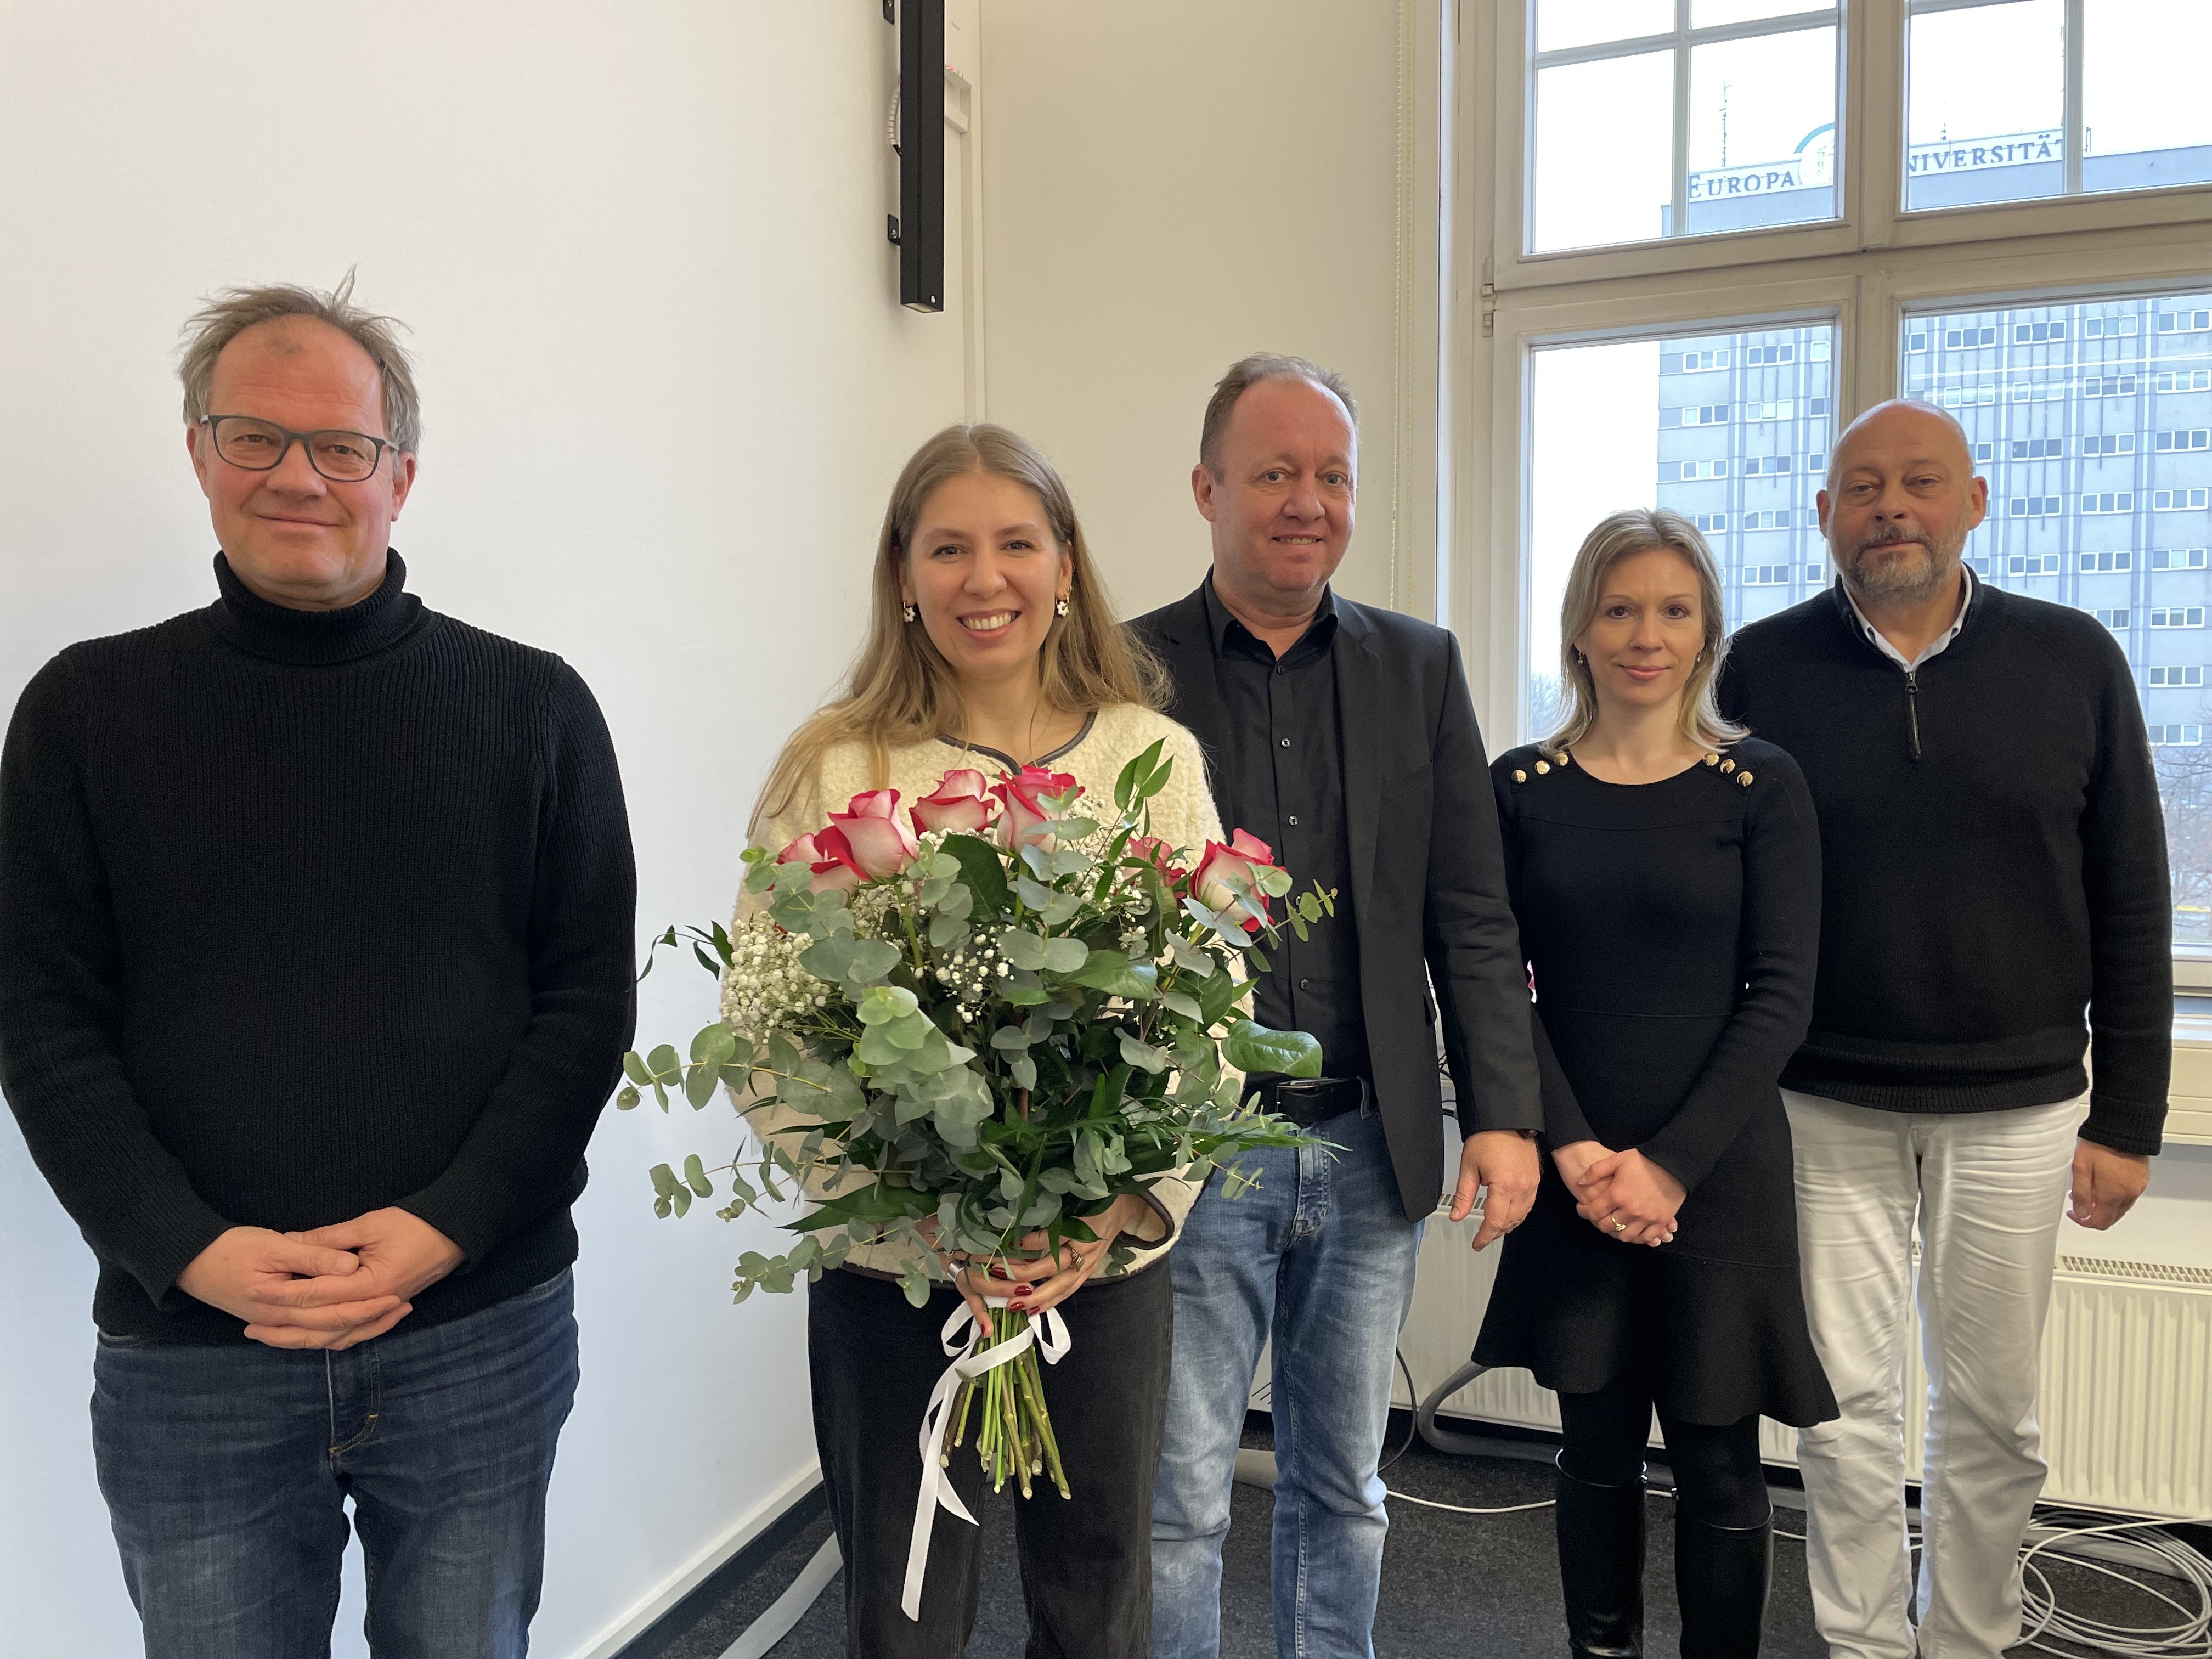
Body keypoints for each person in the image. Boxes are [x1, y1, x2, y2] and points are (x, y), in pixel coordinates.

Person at [0, 278, 637, 1656]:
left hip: (476, 1324)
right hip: (195, 1351)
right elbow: (41, 1017)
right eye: (254, 437)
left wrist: (448, 1224)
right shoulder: (83, 713)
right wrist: (190, 1252)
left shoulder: (533, 710)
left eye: (341, 446)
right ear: (197, 454)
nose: (298, 476)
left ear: (400, 476)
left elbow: (586, 1008)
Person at [746, 422, 1221, 1659]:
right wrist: (917, 1216)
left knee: (1097, 1600)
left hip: (1096, 1274)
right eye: (947, 547)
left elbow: (1213, 1027)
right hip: (897, 1273)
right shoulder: (836, 763)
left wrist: (1110, 1215)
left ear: (1067, 563)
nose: (984, 577)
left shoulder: (1151, 758)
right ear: (902, 572)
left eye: (1016, 542)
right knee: (905, 1613)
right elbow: (767, 1026)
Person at [1719, 399, 2170, 1659]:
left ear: (1976, 501)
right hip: (1820, 1101)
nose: (1891, 507)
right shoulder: (1759, 667)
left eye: (1920, 482)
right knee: (1845, 1412)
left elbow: (2132, 891)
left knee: (1996, 1415)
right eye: (1861, 487)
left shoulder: (2074, 657)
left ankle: (1969, 1640)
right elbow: (1718, 882)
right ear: (1824, 516)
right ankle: (1864, 1645)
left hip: (2022, 1106)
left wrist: (2129, 1119)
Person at [1138, 353, 1544, 1659]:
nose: (1307, 500)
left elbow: (1472, 914)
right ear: (1208, 488)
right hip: (1194, 1156)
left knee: (1342, 1488)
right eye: (1275, 473)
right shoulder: (1122, 672)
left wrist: (1502, 1115)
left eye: (1332, 476)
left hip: (1370, 1152)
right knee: (1180, 1498)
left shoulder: (1417, 668)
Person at [1476, 510, 1835, 1658]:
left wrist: (1670, 1165)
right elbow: (1494, 987)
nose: (1647, 635)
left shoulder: (1758, 784)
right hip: (1576, 1162)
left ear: (1707, 632)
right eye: (1621, 608)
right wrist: (1576, 1151)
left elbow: (1782, 995)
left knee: (1723, 1456)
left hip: (1717, 1171)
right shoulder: (1521, 785)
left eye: (1674, 610)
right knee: (1591, 1447)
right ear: (1580, 628)